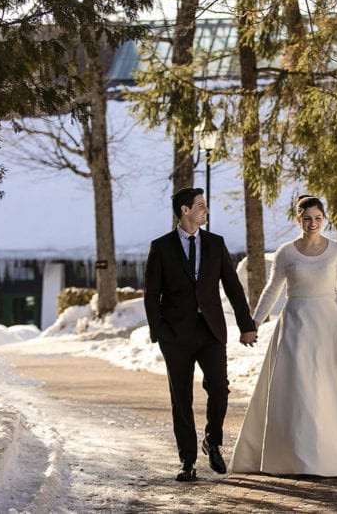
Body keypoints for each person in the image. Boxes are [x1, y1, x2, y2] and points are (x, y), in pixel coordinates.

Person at [231, 195, 337, 476]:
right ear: (299, 219)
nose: (313, 223)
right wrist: (254, 322)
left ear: (324, 219)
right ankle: (296, 455)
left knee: (328, 388)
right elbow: (272, 290)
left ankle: (329, 451)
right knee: (298, 387)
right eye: (307, 218)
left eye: (318, 218)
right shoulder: (286, 252)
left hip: (328, 326)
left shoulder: (336, 251)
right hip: (294, 325)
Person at [143, 187, 258, 482]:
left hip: (210, 330)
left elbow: (233, 287)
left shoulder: (216, 244)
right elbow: (151, 293)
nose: (206, 210)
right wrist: (160, 332)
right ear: (185, 210)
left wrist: (246, 325)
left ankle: (213, 441)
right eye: (200, 206)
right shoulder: (162, 247)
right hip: (176, 335)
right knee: (181, 398)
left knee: (219, 387)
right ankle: (187, 461)